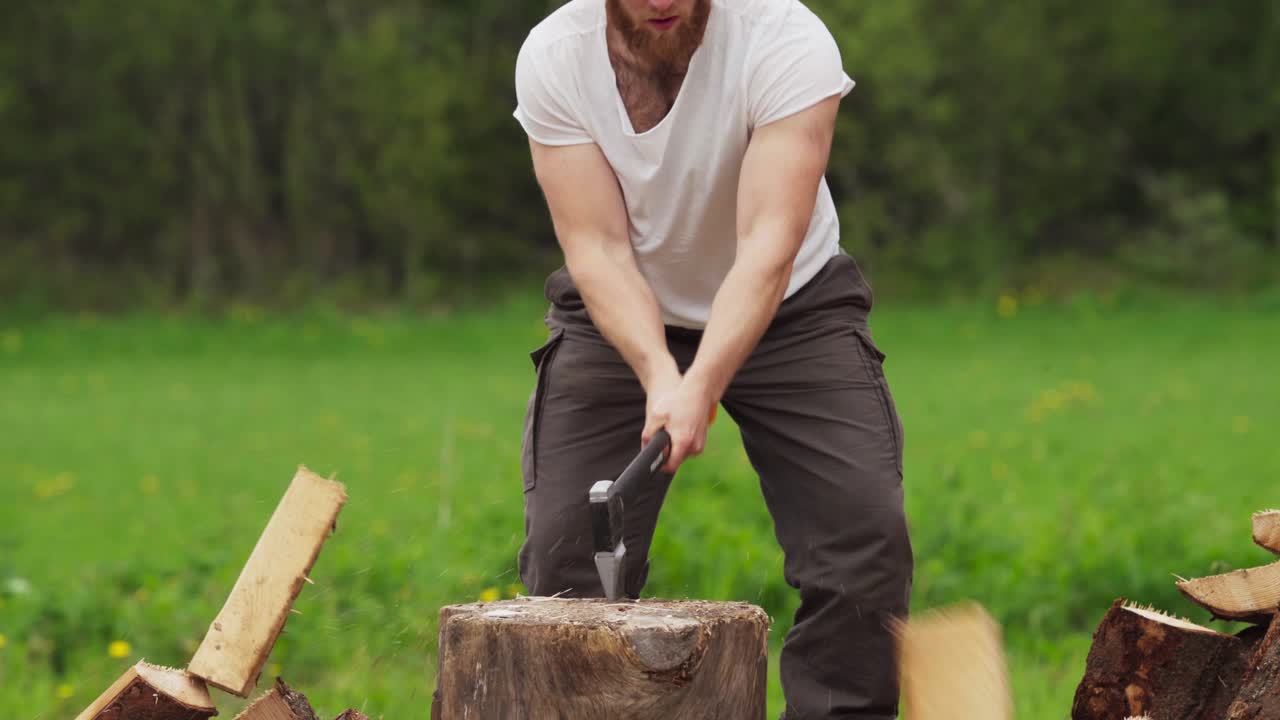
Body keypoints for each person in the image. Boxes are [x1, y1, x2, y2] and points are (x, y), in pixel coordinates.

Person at [512, 0, 912, 717]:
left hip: (793, 305)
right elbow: (596, 247)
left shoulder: (785, 38)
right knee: (564, 568)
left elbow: (767, 241)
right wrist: (662, 374)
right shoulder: (554, 56)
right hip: (620, 314)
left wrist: (702, 383)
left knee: (863, 547)